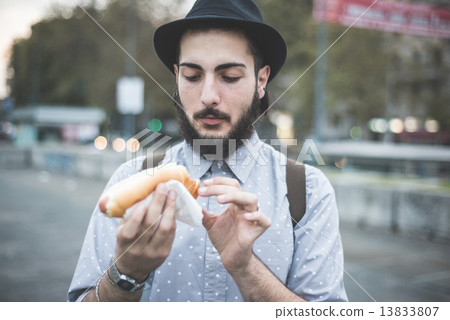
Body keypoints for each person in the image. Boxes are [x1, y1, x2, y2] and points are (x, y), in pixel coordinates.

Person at [68, 0, 347, 302]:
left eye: (229, 77)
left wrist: (245, 267)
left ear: (261, 80)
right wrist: (127, 274)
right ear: (176, 77)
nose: (208, 96)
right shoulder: (131, 179)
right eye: (192, 76)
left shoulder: (308, 191)